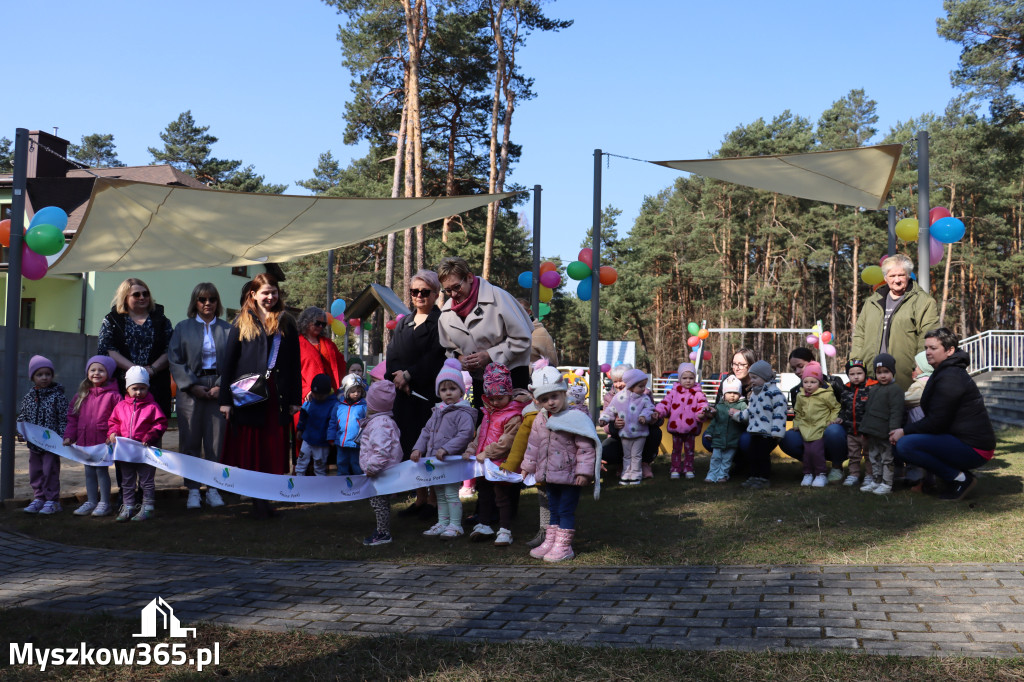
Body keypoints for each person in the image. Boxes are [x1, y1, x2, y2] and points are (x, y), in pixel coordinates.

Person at [219, 273, 301, 519]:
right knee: (252, 449)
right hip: (249, 397)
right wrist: (225, 401)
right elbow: (228, 364)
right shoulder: (241, 322)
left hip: (277, 396)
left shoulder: (287, 322)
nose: (270, 297)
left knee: (270, 449)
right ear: (253, 295)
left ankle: (266, 499)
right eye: (265, 292)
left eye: (274, 292)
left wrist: (295, 398)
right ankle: (257, 501)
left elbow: (294, 364)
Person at [891, 328, 996, 501]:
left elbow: (937, 422)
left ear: (950, 350)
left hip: (975, 448)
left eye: (933, 348)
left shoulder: (951, 376)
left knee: (905, 444)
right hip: (962, 440)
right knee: (906, 442)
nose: (928, 352)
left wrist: (904, 431)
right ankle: (951, 476)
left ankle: (961, 479)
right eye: (926, 348)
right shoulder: (944, 371)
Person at [521, 364, 601, 563]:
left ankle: (564, 546)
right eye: (544, 399)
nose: (550, 402)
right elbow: (534, 444)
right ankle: (551, 541)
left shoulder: (575, 418)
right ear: (538, 401)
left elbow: (585, 447)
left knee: (565, 509)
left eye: (554, 396)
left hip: (570, 475)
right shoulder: (540, 419)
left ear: (564, 393)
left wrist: (584, 472)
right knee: (553, 508)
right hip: (550, 474)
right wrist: (527, 465)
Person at [386, 270, 448, 516]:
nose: (420, 296)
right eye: (415, 292)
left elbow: (436, 357)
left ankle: (434, 500)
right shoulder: (403, 323)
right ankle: (420, 496)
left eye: (425, 292)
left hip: (427, 395)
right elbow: (391, 355)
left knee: (430, 446)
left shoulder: (441, 322)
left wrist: (409, 375)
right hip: (404, 396)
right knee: (410, 444)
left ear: (435, 294)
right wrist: (397, 377)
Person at [436, 256, 534, 404]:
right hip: (480, 384)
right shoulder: (446, 313)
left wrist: (490, 355)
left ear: (469, 277)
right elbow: (448, 349)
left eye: (457, 287)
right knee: (484, 426)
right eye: (448, 290)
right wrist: (459, 359)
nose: (454, 294)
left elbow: (523, 338)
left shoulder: (498, 297)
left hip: (512, 380)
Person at [168, 283, 231, 510]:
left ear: (217, 302)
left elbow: (234, 362)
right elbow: (174, 359)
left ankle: (213, 488)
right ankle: (193, 490)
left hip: (217, 388)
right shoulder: (182, 328)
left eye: (212, 299)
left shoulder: (228, 329)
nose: (207, 303)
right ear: (195, 302)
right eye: (202, 299)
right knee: (190, 440)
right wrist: (191, 385)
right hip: (190, 390)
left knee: (216, 441)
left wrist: (220, 387)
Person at [411, 359, 477, 539]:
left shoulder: (463, 413)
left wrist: (447, 449)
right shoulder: (437, 411)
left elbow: (465, 434)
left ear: (461, 391)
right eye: (443, 389)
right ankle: (443, 522)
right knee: (439, 493)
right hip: (436, 461)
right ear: (438, 392)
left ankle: (456, 525)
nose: (448, 393)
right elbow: (426, 431)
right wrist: (418, 449)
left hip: (451, 461)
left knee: (450, 493)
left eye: (452, 388)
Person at [850, 254, 939, 390]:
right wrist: (855, 364)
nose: (896, 280)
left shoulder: (923, 301)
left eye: (901, 275)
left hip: (905, 377)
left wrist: (920, 368)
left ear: (908, 275)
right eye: (892, 276)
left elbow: (928, 338)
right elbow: (859, 335)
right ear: (885, 278)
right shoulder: (872, 302)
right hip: (870, 377)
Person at [97, 278, 174, 421]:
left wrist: (151, 370)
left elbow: (171, 350)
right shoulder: (112, 320)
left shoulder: (162, 320)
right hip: (121, 386)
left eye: (146, 294)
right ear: (125, 297)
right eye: (136, 295)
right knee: (122, 431)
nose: (142, 297)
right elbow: (107, 349)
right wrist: (135, 371)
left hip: (155, 384)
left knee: (152, 433)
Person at [469, 363, 524, 546]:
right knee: (484, 494)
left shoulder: (513, 416)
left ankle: (505, 529)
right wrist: (472, 449)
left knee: (501, 497)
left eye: (500, 398)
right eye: (491, 398)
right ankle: (484, 524)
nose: (494, 402)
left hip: (500, 463)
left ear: (509, 393)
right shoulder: (488, 413)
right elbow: (481, 434)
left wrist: (488, 453)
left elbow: (507, 441)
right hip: (485, 464)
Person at [63, 355, 120, 517]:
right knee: (88, 472)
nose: (96, 373)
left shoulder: (114, 396)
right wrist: (69, 436)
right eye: (93, 369)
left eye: (101, 370)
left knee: (101, 472)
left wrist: (112, 432)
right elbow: (72, 417)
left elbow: (118, 417)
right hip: (84, 441)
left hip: (103, 441)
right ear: (87, 372)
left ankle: (105, 503)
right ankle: (91, 501)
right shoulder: (81, 395)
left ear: (108, 373)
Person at [108, 367, 167, 522]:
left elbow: (160, 423)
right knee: (127, 480)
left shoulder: (152, 406)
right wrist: (113, 433)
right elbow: (113, 422)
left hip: (145, 451)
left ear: (147, 387)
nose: (139, 392)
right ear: (127, 388)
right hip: (125, 452)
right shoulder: (120, 406)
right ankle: (128, 506)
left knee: (146, 480)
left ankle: (148, 507)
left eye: (142, 388)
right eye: (135, 388)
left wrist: (151, 435)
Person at [779, 348, 847, 482]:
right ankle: (812, 467)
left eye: (800, 366)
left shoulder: (834, 383)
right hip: (810, 431)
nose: (797, 372)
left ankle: (837, 466)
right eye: (794, 369)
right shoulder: (796, 392)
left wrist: (839, 419)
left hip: (833, 431)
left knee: (833, 431)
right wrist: (797, 425)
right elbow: (799, 413)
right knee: (787, 437)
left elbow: (844, 406)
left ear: (812, 363)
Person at [18, 355, 69, 515]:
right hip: (34, 445)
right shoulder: (29, 397)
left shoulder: (58, 396)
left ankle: (52, 501)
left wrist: (62, 435)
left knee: (50, 471)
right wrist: (21, 431)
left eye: (47, 374)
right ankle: (39, 498)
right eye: (40, 374)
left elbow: (63, 418)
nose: (44, 377)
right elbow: (23, 417)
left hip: (51, 445)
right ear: (33, 377)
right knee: (35, 471)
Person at [730, 360, 787, 490]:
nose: (752, 381)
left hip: (767, 434)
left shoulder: (775, 394)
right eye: (751, 378)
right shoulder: (756, 393)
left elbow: (780, 413)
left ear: (765, 377)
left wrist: (777, 432)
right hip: (755, 431)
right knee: (753, 454)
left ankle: (763, 478)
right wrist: (737, 416)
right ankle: (754, 476)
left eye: (755, 377)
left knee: (762, 456)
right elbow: (750, 411)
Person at [360, 381, 404, 546]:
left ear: (373, 404)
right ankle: (382, 531)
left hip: (380, 472)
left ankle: (383, 533)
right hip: (382, 470)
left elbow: (381, 450)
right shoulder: (382, 421)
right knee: (380, 503)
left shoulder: (380, 424)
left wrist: (372, 468)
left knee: (379, 503)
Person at [858, 354, 905, 495]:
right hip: (872, 432)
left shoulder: (895, 390)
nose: (882, 376)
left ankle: (887, 483)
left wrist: (893, 431)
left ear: (892, 372)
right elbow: (868, 411)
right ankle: (876, 481)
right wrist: (864, 430)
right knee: (874, 457)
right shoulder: (873, 389)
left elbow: (896, 412)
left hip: (886, 433)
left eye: (886, 372)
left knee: (887, 459)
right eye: (879, 372)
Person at [600, 368, 656, 485]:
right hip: (624, 433)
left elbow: (650, 409)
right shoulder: (619, 397)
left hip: (640, 433)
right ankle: (625, 474)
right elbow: (610, 409)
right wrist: (604, 419)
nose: (643, 389)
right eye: (640, 386)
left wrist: (645, 416)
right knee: (627, 455)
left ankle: (636, 474)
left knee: (636, 455)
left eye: (644, 386)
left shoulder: (644, 397)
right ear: (631, 385)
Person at [655, 362, 708, 479]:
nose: (688, 381)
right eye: (684, 378)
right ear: (679, 379)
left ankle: (688, 468)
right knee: (676, 450)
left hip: (691, 427)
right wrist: (658, 412)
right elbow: (665, 404)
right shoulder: (673, 393)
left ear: (695, 378)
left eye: (691, 378)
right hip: (676, 427)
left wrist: (701, 413)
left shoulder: (698, 394)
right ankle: (675, 468)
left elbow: (703, 405)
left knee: (690, 451)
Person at [793, 362, 840, 488]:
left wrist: (831, 421)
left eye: (813, 382)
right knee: (807, 453)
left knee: (817, 452)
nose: (808, 385)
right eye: (806, 382)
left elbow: (835, 408)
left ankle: (821, 474)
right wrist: (797, 423)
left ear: (820, 382)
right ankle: (808, 473)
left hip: (820, 428)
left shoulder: (826, 395)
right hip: (805, 429)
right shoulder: (800, 395)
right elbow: (797, 411)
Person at [834, 359, 877, 486]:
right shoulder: (846, 389)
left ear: (865, 373)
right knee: (853, 455)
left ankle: (870, 475)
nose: (856, 376)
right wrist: (841, 417)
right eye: (852, 374)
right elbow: (843, 407)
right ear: (848, 375)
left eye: (859, 373)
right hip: (851, 430)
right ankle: (854, 475)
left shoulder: (872, 388)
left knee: (869, 454)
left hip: (867, 431)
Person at [703, 376, 746, 483]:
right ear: (724, 394)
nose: (732, 395)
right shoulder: (719, 406)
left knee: (727, 459)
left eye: (735, 393)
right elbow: (714, 421)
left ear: (740, 394)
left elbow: (746, 417)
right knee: (715, 458)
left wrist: (739, 414)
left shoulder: (742, 405)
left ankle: (723, 475)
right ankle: (712, 475)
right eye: (729, 392)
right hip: (718, 438)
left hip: (733, 439)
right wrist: (709, 433)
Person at [295, 374, 336, 476]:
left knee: (319, 466)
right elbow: (303, 414)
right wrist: (300, 429)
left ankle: (320, 486)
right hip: (308, 438)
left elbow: (333, 423)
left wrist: (331, 438)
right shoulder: (311, 400)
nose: (317, 397)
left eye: (321, 395)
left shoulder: (333, 404)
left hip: (322, 442)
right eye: (315, 393)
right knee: (301, 462)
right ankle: (297, 482)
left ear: (327, 393)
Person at [329, 374, 367, 476]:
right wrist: (331, 437)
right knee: (341, 463)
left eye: (359, 391)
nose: (356, 394)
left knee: (356, 465)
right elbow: (333, 422)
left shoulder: (363, 407)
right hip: (341, 442)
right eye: (353, 391)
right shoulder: (338, 406)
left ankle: (359, 485)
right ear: (346, 391)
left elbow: (367, 423)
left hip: (357, 443)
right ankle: (341, 485)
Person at [517, 298, 558, 367]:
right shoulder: (504, 330)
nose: (516, 313)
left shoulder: (541, 332)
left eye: (520, 310)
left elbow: (552, 362)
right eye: (512, 310)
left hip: (531, 376)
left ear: (529, 312)